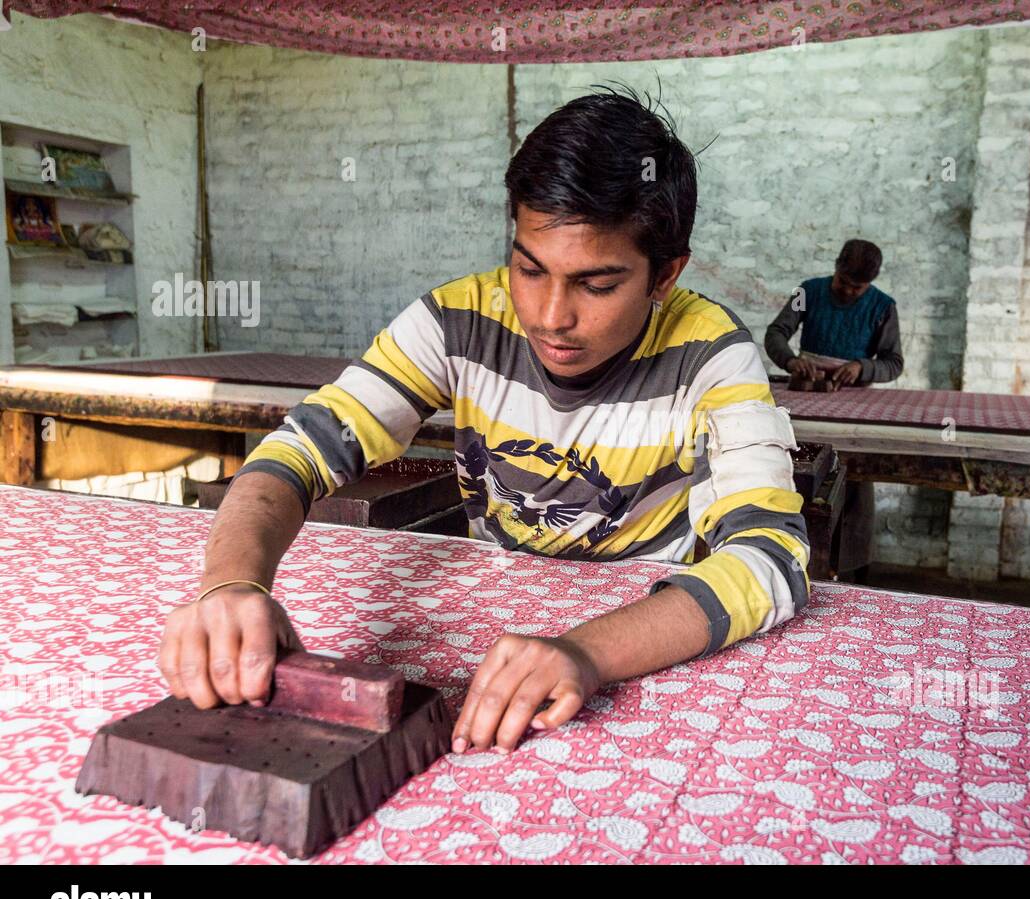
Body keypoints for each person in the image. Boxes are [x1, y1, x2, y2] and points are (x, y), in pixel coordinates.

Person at [158, 86, 810, 754]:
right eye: (529, 268)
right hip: (489, 631)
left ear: (664, 276)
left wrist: (585, 653)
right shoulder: (457, 320)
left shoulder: (711, 352)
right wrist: (233, 585)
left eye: (597, 285)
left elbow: (771, 562)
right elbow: (298, 451)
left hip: (643, 643)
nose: (550, 315)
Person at [764, 240, 903, 584]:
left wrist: (862, 368)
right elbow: (776, 333)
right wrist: (792, 360)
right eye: (843, 283)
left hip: (854, 401)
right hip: (806, 389)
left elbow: (894, 363)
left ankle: (851, 570)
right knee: (802, 469)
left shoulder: (884, 306)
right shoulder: (808, 291)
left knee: (853, 481)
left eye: (858, 288)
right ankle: (788, 556)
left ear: (871, 283)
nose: (849, 292)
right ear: (836, 269)